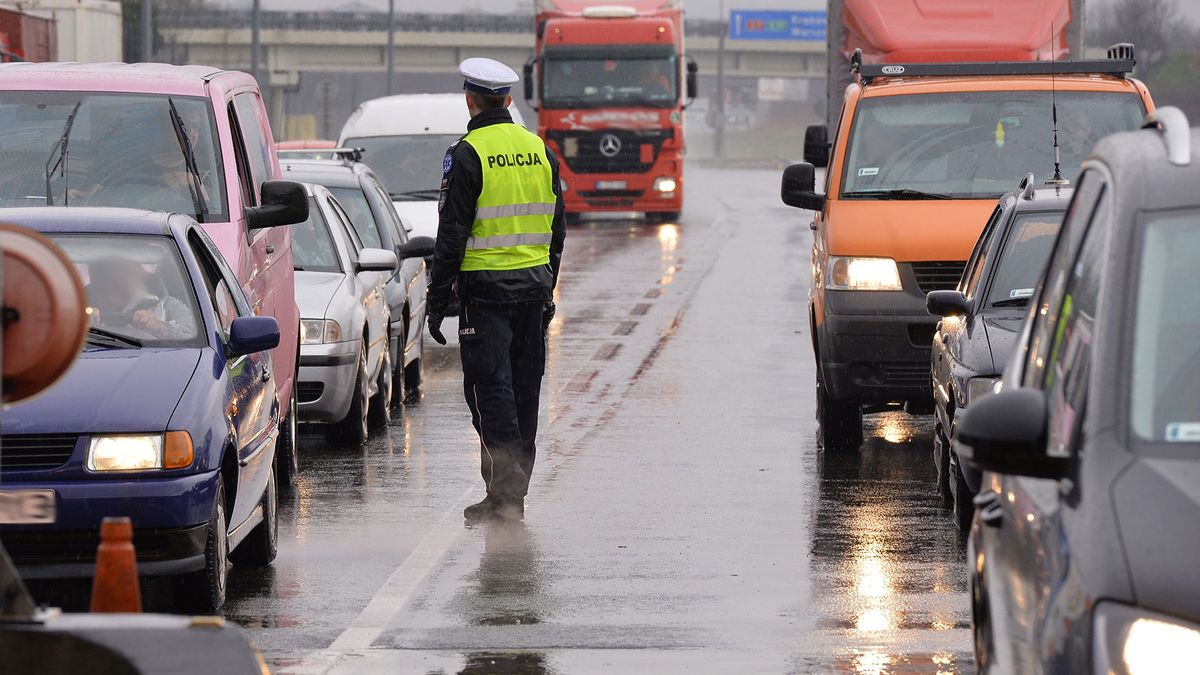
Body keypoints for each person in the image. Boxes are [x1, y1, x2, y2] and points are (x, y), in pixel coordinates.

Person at [427, 58, 566, 524]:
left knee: (491, 393)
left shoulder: (468, 153)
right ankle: (510, 494)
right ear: (507, 100)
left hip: (485, 296)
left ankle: (506, 495)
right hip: (532, 292)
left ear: (470, 100)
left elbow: (452, 234)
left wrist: (436, 299)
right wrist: (547, 286)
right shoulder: (539, 150)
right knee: (524, 392)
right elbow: (558, 230)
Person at [88, 257, 195, 340]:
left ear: (136, 275)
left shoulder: (168, 306)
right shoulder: (83, 312)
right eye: (104, 278)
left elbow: (191, 338)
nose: (111, 287)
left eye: (116, 279)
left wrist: (159, 328)